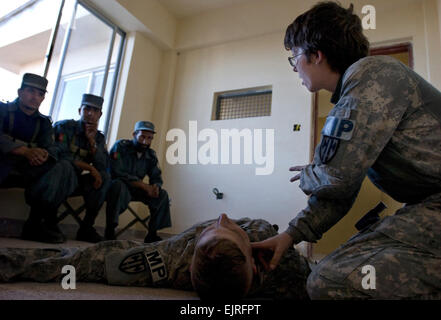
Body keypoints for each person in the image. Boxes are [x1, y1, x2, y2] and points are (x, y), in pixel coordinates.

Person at [252, 1, 441, 299]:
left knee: (328, 282)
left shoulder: (370, 74)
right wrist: (290, 236)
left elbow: (335, 177)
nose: (295, 68)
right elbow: (341, 186)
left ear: (316, 54)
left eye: (294, 58)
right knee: (328, 271)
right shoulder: (357, 90)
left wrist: (312, 174)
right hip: (427, 206)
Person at [0, 213, 311, 300]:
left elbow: (89, 261)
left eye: (224, 228)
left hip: (191, 249)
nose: (223, 216)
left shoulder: (173, 261)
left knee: (90, 260)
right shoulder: (288, 266)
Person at [0, 73, 76, 243]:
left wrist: (43, 154)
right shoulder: (3, 110)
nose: (35, 97)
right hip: (4, 162)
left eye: (40, 94)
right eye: (30, 91)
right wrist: (25, 151)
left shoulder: (43, 123)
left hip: (28, 167)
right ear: (20, 92)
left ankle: (35, 224)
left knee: (63, 167)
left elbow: (51, 147)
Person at [52, 93, 111, 243]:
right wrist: (89, 168)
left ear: (100, 114)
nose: (90, 114)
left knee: (104, 177)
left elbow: (103, 165)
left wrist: (92, 143)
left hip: (76, 181)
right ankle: (49, 222)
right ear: (80, 110)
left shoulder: (98, 137)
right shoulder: (64, 127)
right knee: (65, 167)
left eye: (95, 110)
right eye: (87, 109)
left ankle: (86, 227)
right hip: (58, 179)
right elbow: (60, 156)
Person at [105, 121, 171, 243]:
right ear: (134, 134)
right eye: (142, 137)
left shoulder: (151, 155)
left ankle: (152, 233)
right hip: (120, 187)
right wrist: (143, 185)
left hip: (137, 190)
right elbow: (116, 172)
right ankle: (110, 230)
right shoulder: (120, 146)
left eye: (150, 138)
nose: (146, 141)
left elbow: (156, 176)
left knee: (162, 195)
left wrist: (156, 187)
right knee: (117, 185)